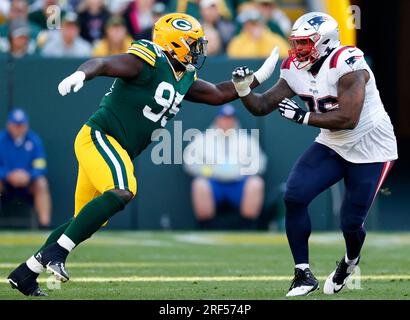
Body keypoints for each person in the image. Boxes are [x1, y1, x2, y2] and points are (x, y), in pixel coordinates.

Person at [7, 12, 280, 296]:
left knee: (87, 219)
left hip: (115, 147)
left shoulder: (184, 75)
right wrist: (81, 74)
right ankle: (56, 254)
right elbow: (103, 63)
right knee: (124, 189)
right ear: (173, 43)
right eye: (192, 43)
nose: (198, 49)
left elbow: (218, 94)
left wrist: (257, 78)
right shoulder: (149, 58)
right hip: (100, 136)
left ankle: (26, 273)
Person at [231, 12, 398, 296]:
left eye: (305, 43)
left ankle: (349, 261)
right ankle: (303, 274)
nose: (298, 50)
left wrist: (304, 118)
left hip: (372, 147)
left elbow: (349, 118)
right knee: (294, 195)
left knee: (350, 222)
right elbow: (261, 106)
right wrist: (243, 88)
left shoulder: (347, 63)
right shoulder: (294, 67)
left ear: (325, 42)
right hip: (332, 143)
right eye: (296, 43)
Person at [183, 104, 266, 229]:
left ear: (235, 120)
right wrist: (210, 171)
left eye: (230, 118)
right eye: (224, 118)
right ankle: (206, 227)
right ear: (217, 119)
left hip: (239, 183)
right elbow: (190, 162)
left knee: (256, 183)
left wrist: (241, 171)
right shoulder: (203, 139)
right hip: (213, 182)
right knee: (199, 184)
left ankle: (247, 227)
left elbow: (260, 163)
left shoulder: (246, 140)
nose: (227, 122)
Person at [0, 109, 51, 228]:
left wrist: (28, 175)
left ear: (26, 125)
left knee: (41, 183)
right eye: (15, 125)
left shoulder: (34, 140)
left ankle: (44, 225)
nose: (18, 128)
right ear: (9, 125)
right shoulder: (1, 140)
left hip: (28, 184)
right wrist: (8, 175)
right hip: (5, 183)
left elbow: (41, 165)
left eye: (21, 125)